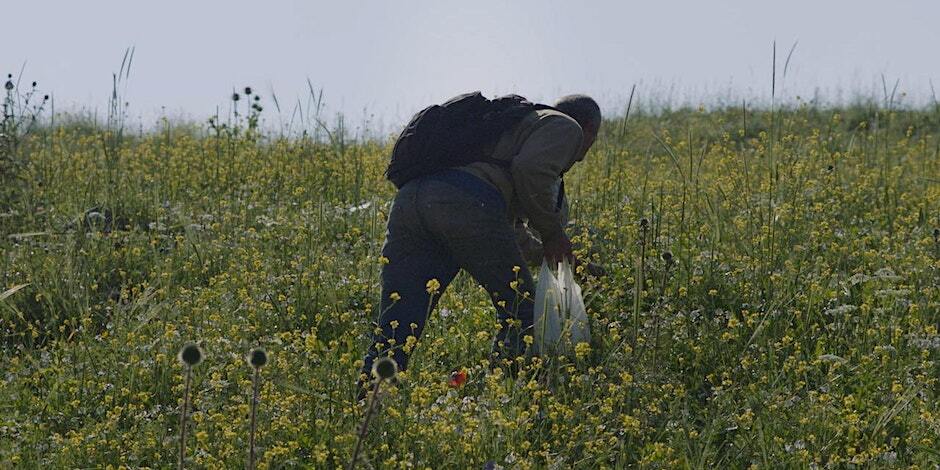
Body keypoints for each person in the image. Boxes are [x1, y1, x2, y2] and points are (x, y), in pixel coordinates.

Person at [359, 94, 601, 387]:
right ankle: (509, 392)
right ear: (590, 130)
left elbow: (508, 233)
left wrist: (560, 258)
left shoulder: (511, 127)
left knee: (398, 322)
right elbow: (531, 170)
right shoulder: (566, 126)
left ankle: (370, 402)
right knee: (520, 311)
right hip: (466, 202)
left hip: (410, 201)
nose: (580, 154)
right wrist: (553, 234)